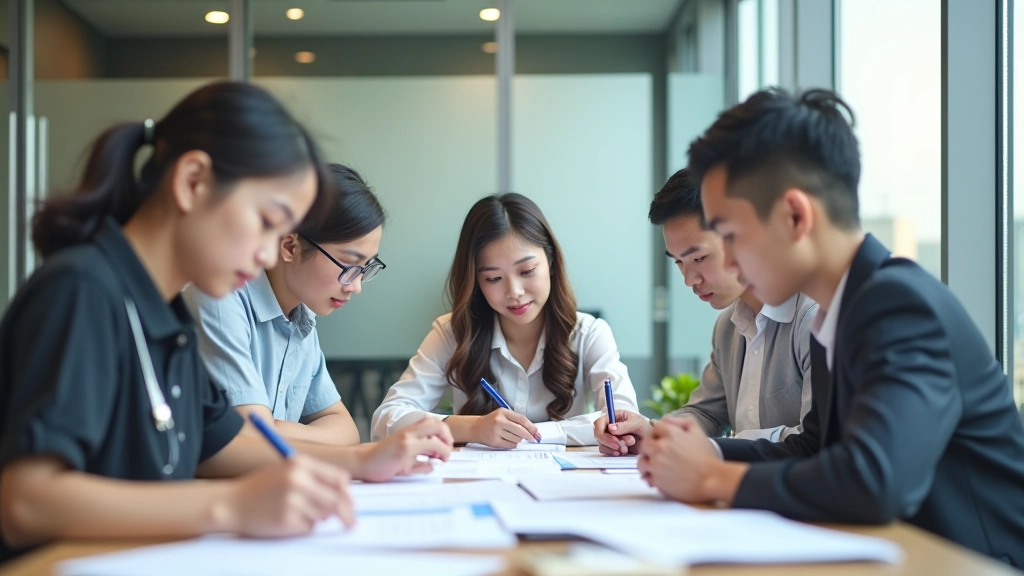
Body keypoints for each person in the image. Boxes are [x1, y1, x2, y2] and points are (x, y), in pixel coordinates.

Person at [0, 82, 451, 563]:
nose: (266, 253)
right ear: (193, 182)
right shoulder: (83, 291)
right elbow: (24, 502)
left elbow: (224, 446)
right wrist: (231, 505)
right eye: (265, 221)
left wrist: (364, 460)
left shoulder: (164, 310)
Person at [638, 87, 1024, 567]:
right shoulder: (839, 311)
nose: (730, 260)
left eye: (732, 236)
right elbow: (813, 450)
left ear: (796, 216)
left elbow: (874, 481)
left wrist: (711, 478)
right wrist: (707, 454)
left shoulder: (898, 304)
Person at [371, 193, 639, 447]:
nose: (514, 292)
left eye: (527, 271)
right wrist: (473, 428)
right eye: (493, 278)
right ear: (476, 281)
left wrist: (531, 434)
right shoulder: (452, 332)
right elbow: (387, 419)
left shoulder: (589, 333)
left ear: (552, 262)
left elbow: (625, 420)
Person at [594, 168, 815, 456]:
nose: (689, 279)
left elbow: (817, 443)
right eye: (679, 263)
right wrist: (651, 433)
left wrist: (719, 449)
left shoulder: (813, 318)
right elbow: (707, 415)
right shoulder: (728, 327)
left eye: (699, 258)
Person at [186, 163, 386, 446]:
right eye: (350, 265)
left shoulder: (302, 320)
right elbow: (248, 435)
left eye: (366, 268)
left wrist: (272, 426)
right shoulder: (222, 297)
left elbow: (346, 431)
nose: (356, 286)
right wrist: (268, 429)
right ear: (290, 246)